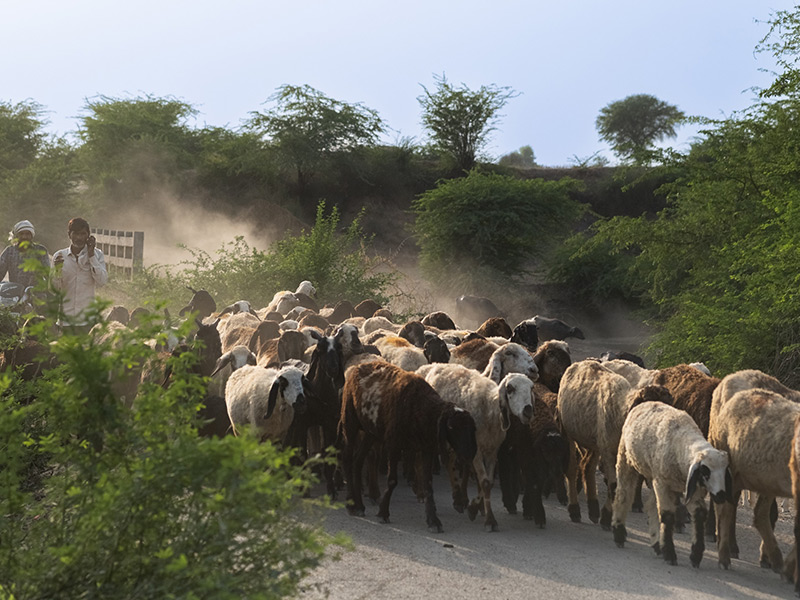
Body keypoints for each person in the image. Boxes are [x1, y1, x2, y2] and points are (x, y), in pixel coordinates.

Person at [52, 217, 108, 334]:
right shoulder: (59, 256)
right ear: (69, 234)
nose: (79, 238)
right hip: (66, 320)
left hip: (87, 320)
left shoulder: (97, 255)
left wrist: (91, 255)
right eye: (76, 234)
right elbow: (54, 289)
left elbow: (102, 281)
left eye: (83, 234)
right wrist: (57, 270)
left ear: (88, 236)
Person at [0, 220, 51, 289]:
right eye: (21, 234)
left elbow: (47, 273)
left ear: (32, 235)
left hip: (35, 293)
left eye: (27, 234)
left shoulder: (40, 250)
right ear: (16, 236)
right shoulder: (9, 251)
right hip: (14, 293)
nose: (24, 237)